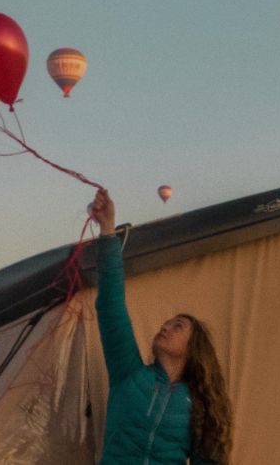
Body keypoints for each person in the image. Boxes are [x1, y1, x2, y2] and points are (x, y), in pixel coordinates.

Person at [89, 190, 232, 464]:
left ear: (193, 349)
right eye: (167, 323)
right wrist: (107, 230)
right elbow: (111, 306)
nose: (165, 328)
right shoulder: (128, 374)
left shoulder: (200, 406)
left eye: (177, 327)